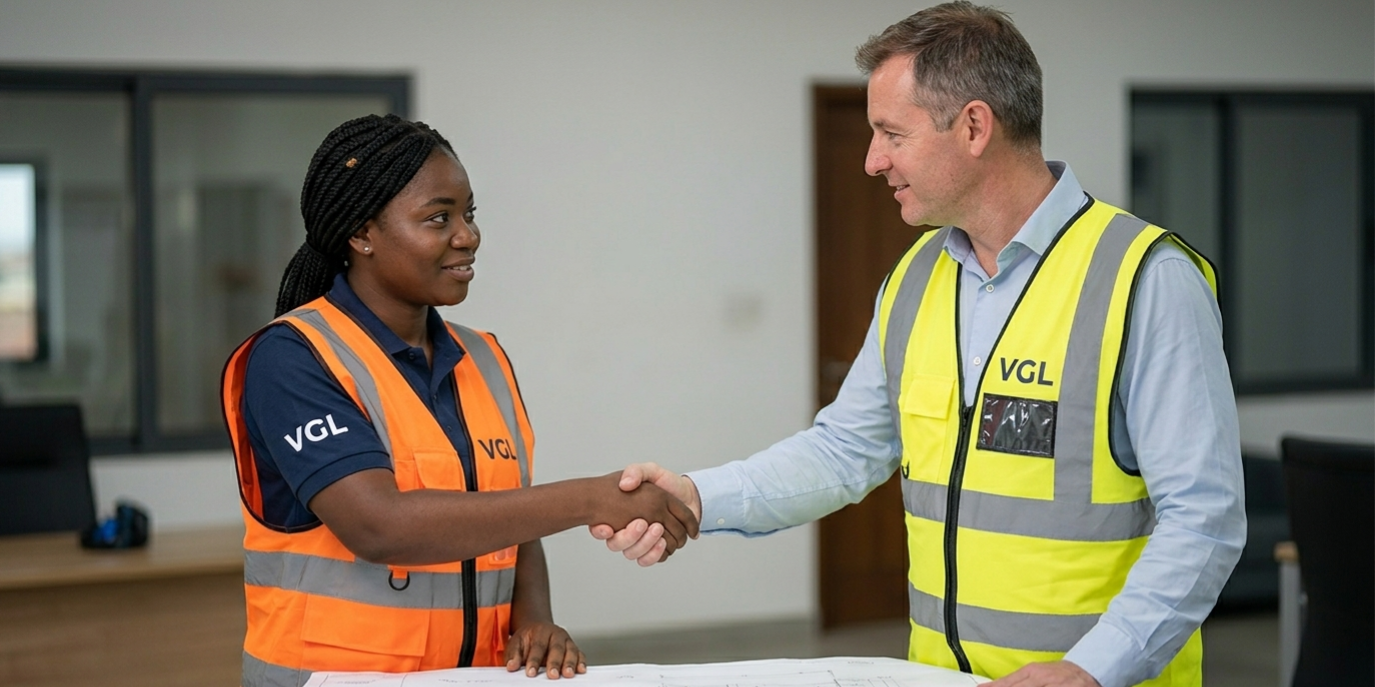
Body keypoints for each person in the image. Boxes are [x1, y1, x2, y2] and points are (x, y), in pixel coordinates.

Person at [590, 4, 1245, 686]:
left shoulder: (1146, 278)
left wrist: (1089, 667)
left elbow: (1203, 518)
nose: (873, 161)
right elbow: (844, 450)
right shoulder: (915, 276)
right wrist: (695, 495)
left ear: (971, 126)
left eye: (890, 134)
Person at [221, 114, 698, 687]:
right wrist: (593, 499)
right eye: (437, 218)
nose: (467, 235)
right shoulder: (294, 357)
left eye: (469, 214)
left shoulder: (486, 359)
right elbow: (379, 527)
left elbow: (511, 516)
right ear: (362, 234)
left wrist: (535, 621)